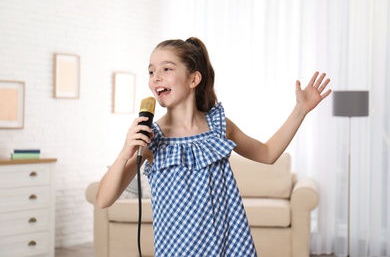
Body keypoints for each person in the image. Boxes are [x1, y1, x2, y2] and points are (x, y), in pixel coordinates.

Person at [96, 37, 332, 256]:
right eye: (151, 71)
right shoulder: (151, 139)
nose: (155, 77)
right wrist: (124, 154)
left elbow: (268, 154)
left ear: (193, 79)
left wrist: (301, 109)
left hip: (228, 246)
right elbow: (103, 200)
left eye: (166, 68)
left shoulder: (218, 126)